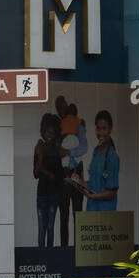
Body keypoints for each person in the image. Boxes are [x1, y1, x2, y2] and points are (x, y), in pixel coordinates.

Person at [54, 97, 88, 245]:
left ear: (67, 107)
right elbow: (54, 150)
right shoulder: (56, 126)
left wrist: (68, 152)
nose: (60, 108)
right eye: (58, 106)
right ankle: (63, 251)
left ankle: (78, 250)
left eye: (63, 105)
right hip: (62, 175)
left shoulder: (78, 125)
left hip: (75, 173)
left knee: (78, 215)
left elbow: (84, 147)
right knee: (64, 216)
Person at [32, 114, 63, 248]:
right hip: (41, 194)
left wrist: (49, 174)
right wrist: (40, 157)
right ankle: (40, 257)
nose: (49, 135)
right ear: (43, 132)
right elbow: (35, 174)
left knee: (50, 227)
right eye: (47, 132)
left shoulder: (56, 151)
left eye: (52, 132)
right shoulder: (39, 148)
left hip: (53, 195)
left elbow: (57, 175)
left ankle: (49, 258)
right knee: (41, 229)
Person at [80, 110, 120, 212]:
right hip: (92, 210)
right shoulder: (96, 151)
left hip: (105, 213)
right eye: (98, 128)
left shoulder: (112, 156)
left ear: (110, 129)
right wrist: (80, 183)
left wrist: (93, 196)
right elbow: (96, 183)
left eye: (104, 128)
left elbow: (111, 193)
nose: (100, 132)